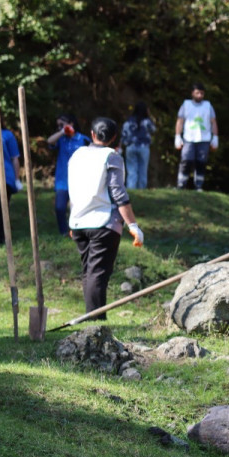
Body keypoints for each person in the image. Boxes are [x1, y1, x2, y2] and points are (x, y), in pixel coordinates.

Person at [67, 117, 144, 319]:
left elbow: (73, 189)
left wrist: (73, 217)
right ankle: (95, 319)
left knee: (89, 272)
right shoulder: (112, 156)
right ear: (114, 138)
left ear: (92, 134)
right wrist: (133, 225)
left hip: (78, 222)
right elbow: (118, 193)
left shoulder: (77, 154)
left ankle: (92, 318)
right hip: (102, 223)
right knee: (97, 273)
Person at [44, 114, 90, 236]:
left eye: (62, 124)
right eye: (58, 125)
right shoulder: (61, 139)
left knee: (78, 209)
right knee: (60, 208)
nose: (60, 127)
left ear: (71, 123)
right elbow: (49, 141)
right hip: (62, 180)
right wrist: (62, 131)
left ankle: (78, 231)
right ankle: (64, 232)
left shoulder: (83, 139)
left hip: (80, 180)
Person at [174, 82, 218, 191]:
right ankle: (181, 184)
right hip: (189, 138)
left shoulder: (208, 106)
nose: (200, 95)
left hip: (204, 138)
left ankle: (198, 185)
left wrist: (215, 136)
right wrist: (178, 136)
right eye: (197, 93)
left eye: (202, 93)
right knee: (186, 161)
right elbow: (180, 121)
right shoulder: (186, 105)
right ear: (192, 93)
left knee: (201, 162)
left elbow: (213, 122)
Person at [0, 115, 23, 245]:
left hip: (4, 175)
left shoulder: (7, 135)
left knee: (1, 207)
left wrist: (16, 179)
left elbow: (15, 158)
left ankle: (0, 236)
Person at [120, 102, 156, 190]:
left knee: (132, 171)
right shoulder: (147, 121)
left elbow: (123, 135)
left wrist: (121, 146)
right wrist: (149, 115)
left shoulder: (128, 121)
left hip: (130, 147)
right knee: (142, 170)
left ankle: (131, 189)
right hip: (144, 147)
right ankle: (141, 190)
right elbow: (154, 129)